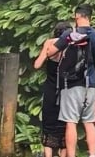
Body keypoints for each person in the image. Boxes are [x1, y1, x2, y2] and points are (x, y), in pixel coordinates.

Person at [54, 4, 95, 157]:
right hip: (90, 84)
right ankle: (93, 154)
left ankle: (71, 155)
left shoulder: (69, 33)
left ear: (77, 16)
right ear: (90, 17)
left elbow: (53, 50)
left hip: (71, 83)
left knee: (70, 122)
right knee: (89, 121)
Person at [34, 21, 72, 157]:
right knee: (67, 122)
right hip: (68, 88)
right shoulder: (73, 44)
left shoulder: (50, 43)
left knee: (48, 121)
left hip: (50, 87)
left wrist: (48, 52)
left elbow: (37, 64)